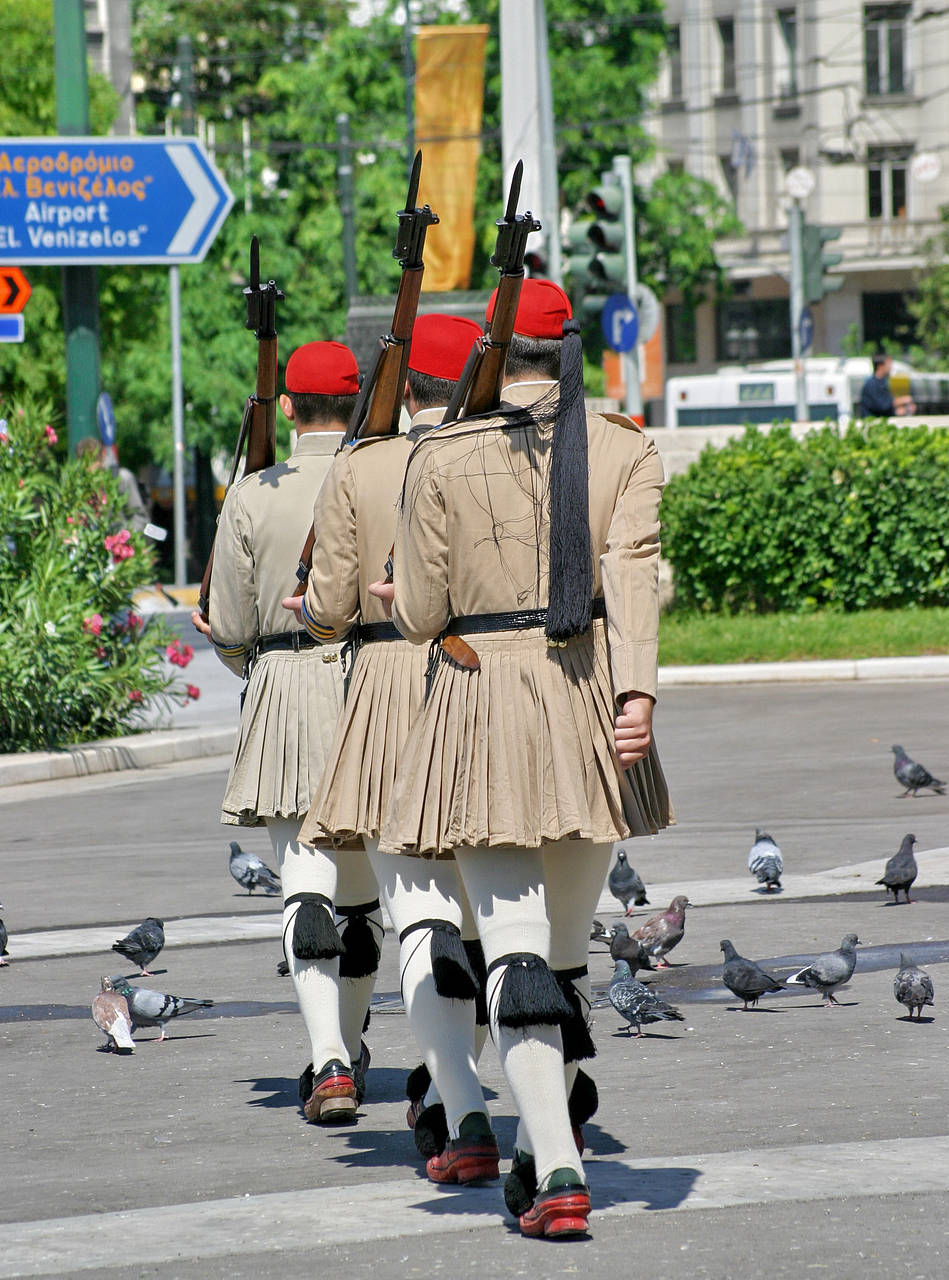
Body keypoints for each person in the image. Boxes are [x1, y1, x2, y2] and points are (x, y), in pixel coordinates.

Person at [375, 278, 674, 1238]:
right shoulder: (625, 445)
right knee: (566, 958)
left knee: (510, 949)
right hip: (591, 703)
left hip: (482, 711)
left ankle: (554, 1168)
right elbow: (633, 576)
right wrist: (637, 692)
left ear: (493, 353)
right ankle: (553, 1136)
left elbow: (422, 618)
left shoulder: (442, 453)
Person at [284, 313, 499, 1177]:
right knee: (491, 921)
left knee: (416, 913)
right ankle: (470, 1081)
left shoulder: (359, 465)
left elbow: (331, 606)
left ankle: (462, 1107)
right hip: (486, 683)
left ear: (404, 388)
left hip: (384, 691)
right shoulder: (502, 451)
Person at [192, 340, 382, 1125]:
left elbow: (232, 629)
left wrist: (252, 659)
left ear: (293, 409)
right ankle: (351, 1042)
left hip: (284, 686)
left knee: (303, 888)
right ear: (361, 402)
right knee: (366, 902)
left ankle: (327, 1063)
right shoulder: (383, 474)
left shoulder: (250, 492)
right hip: (374, 688)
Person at [75, 436, 151, 534]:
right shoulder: (78, 485)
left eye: (94, 461)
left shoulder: (122, 478)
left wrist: (122, 536)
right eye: (85, 465)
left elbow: (140, 518)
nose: (91, 469)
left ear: (103, 456)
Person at [860, 352, 915, 417]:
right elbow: (883, 406)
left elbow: (887, 404)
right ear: (880, 366)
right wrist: (903, 400)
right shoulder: (871, 384)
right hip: (872, 423)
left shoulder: (883, 382)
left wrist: (903, 410)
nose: (890, 368)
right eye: (888, 364)